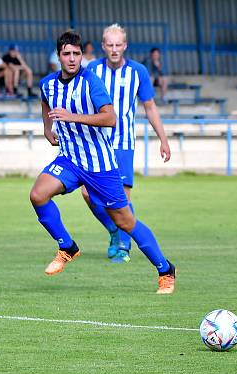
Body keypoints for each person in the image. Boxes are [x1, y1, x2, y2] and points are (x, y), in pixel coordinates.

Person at [31, 30, 176, 294]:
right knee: (38, 195)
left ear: (82, 56)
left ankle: (165, 270)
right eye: (67, 54)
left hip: (100, 164)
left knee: (125, 221)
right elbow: (45, 101)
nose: (72, 59)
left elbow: (111, 118)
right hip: (70, 159)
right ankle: (67, 247)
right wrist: (46, 127)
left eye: (77, 54)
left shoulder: (91, 82)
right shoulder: (48, 84)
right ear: (59, 56)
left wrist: (73, 117)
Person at [85, 23, 172, 264]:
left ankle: (124, 246)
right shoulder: (92, 70)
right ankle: (115, 231)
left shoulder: (138, 72)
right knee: (86, 193)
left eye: (118, 45)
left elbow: (150, 107)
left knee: (122, 198)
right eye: (109, 45)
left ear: (125, 46)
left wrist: (163, 139)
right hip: (96, 143)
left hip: (123, 143)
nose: (114, 49)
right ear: (103, 46)